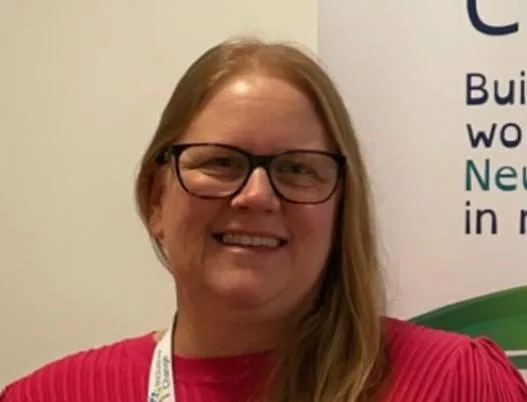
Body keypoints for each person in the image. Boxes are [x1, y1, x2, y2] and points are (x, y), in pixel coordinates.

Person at [1, 37, 526, 402]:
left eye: (297, 169)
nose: (257, 195)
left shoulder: (459, 384)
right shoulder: (47, 396)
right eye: (220, 162)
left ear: (342, 208)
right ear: (155, 198)